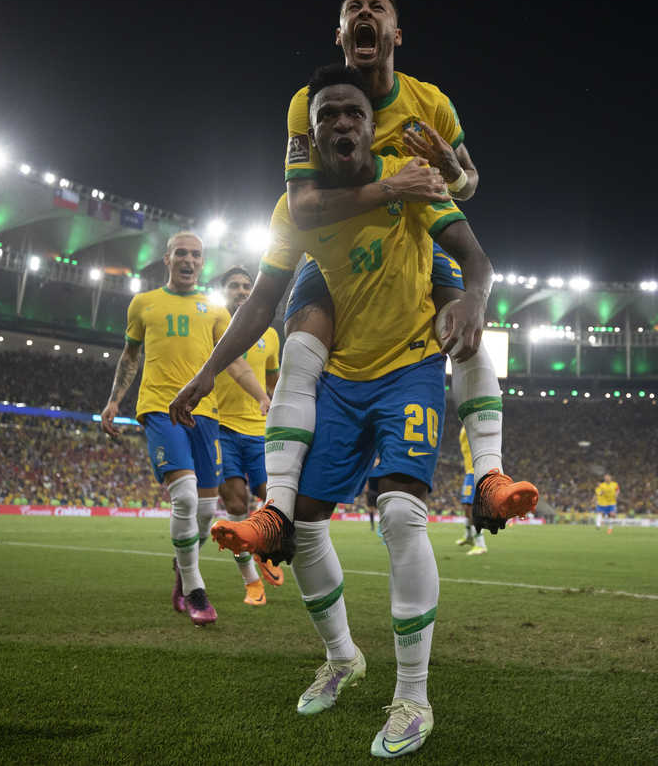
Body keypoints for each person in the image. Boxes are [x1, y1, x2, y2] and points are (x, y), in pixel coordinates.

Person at [170, 64, 534, 758]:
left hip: (409, 369)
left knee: (400, 512)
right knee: (302, 530)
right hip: (343, 379)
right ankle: (342, 655)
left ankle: (413, 697)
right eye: (327, 115)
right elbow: (259, 302)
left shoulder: (412, 177)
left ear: (374, 126)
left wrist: (472, 300)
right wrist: (207, 372)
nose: (341, 122)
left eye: (353, 114)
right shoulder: (296, 210)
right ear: (308, 136)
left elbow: (474, 253)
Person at [254, 0, 513, 542]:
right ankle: (276, 505)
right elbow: (302, 205)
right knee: (298, 348)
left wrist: (449, 166)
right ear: (341, 34)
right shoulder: (309, 103)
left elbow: (466, 185)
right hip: (329, 254)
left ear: (395, 33)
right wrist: (393, 188)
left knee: (464, 322)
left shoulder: (431, 104)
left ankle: (488, 473)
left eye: (377, 8)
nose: (364, 14)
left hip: (411, 241)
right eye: (353, 9)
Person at [100, 231, 271, 627]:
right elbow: (130, 357)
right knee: (186, 498)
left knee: (206, 510)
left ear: (202, 262)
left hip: (206, 414)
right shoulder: (144, 303)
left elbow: (236, 363)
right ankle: (195, 588)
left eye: (195, 254)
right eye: (181, 253)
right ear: (168, 258)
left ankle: (182, 566)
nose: (189, 260)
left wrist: (262, 396)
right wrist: (114, 400)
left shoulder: (214, 311)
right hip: (160, 408)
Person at [212, 265, 284, 604]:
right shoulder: (211, 326)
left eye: (246, 286)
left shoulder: (269, 335)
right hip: (220, 427)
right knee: (236, 504)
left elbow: (273, 381)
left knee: (273, 501)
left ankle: (263, 550)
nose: (241, 290)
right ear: (222, 291)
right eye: (233, 285)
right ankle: (251, 582)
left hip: (258, 432)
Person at [454, 430, 486, 555]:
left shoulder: (471, 426)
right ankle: (469, 537)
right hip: (469, 472)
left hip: (475, 471)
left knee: (470, 507)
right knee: (466, 506)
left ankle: (480, 544)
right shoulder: (464, 428)